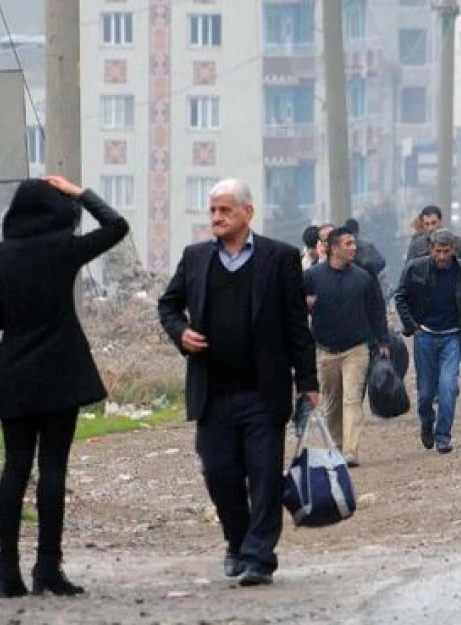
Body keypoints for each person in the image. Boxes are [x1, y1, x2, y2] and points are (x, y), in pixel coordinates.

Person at [157, 178, 319, 587]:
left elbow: (297, 327)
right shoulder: (195, 258)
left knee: (264, 478)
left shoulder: (278, 258)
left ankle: (259, 557)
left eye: (225, 210)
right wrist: (180, 334)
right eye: (212, 210)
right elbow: (168, 304)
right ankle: (236, 541)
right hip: (212, 392)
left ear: (247, 212)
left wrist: (308, 382)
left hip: (263, 392)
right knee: (219, 473)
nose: (216, 217)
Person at [0, 175, 129, 598]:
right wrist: (82, 193)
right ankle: (47, 567)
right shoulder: (64, 248)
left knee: (15, 468)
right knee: (53, 469)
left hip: (15, 376)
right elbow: (117, 227)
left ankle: (7, 571)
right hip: (61, 373)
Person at [305, 226, 390, 467]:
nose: (354, 247)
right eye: (348, 244)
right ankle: (336, 447)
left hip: (356, 349)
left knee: (352, 400)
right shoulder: (313, 276)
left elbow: (377, 311)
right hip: (325, 350)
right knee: (332, 402)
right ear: (333, 248)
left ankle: (350, 451)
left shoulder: (363, 278)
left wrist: (383, 341)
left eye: (353, 243)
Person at [394, 229, 461, 454]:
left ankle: (443, 436)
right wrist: (413, 326)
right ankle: (426, 422)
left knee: (448, 387)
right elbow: (400, 296)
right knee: (425, 393)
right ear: (431, 249)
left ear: (454, 251)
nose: (441, 256)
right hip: (425, 336)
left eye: (446, 252)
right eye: (437, 251)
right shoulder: (415, 268)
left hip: (452, 336)